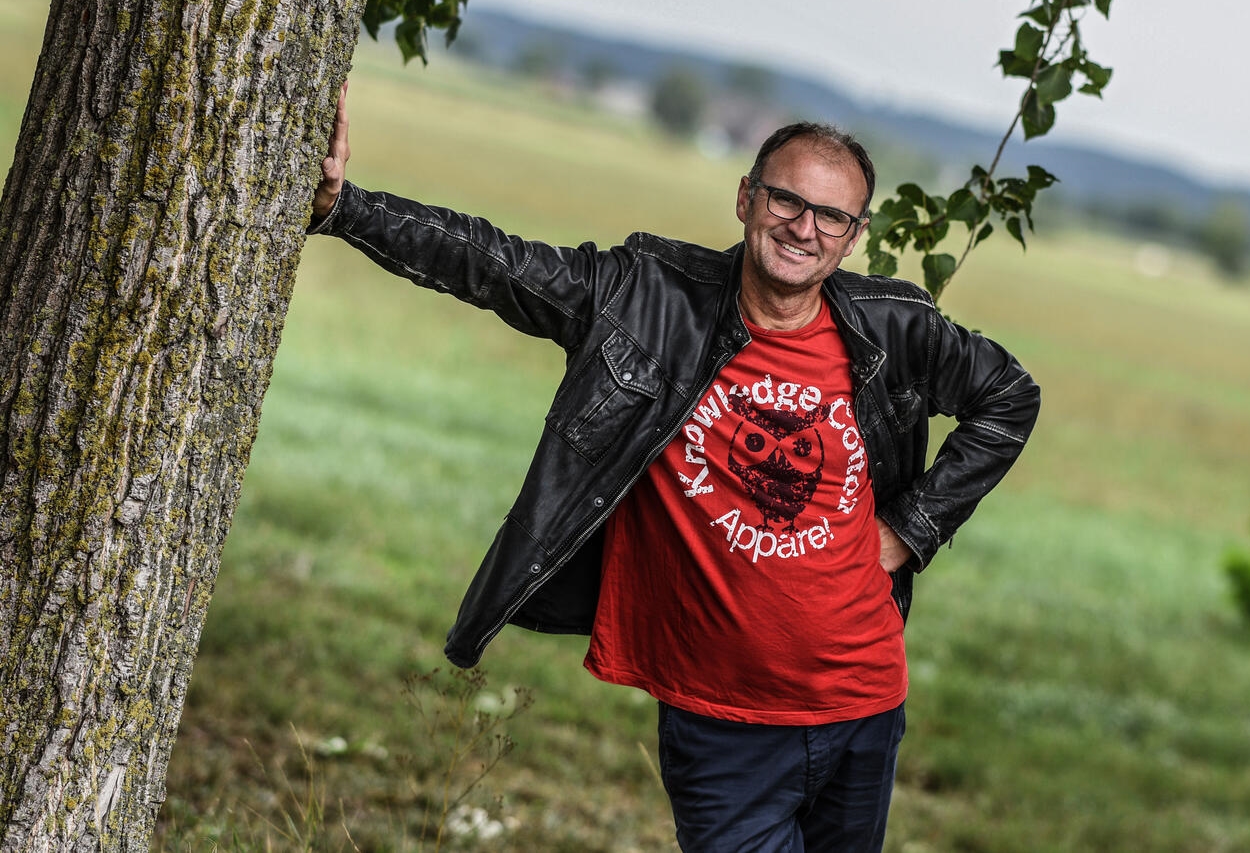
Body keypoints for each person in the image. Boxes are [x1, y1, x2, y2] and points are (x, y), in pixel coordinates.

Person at [308, 82, 1038, 851]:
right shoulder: (647, 298)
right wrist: (343, 208)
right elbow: (494, 263)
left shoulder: (893, 326)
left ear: (853, 235)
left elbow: (1009, 396)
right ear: (746, 198)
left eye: (831, 215)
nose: (803, 227)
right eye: (786, 199)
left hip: (864, 701)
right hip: (721, 721)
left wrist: (909, 529)